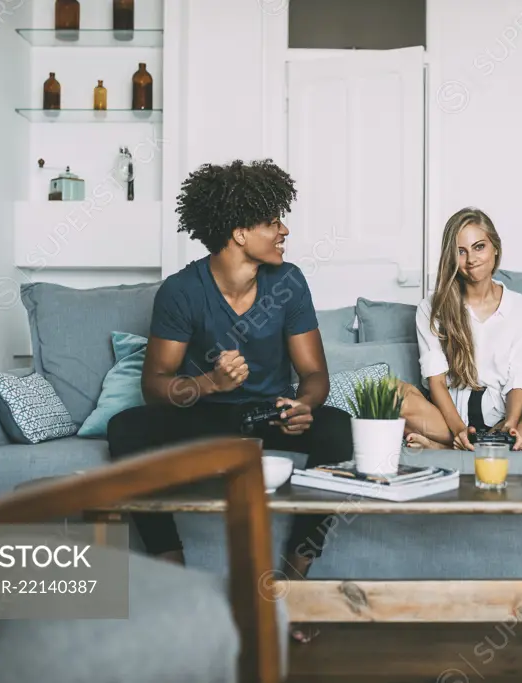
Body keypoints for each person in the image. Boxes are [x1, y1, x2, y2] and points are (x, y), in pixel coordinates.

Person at [106, 160, 351, 641]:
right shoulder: (182, 291)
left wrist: (304, 404)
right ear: (239, 232)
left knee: (339, 430)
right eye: (273, 222)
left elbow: (315, 373)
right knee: (126, 430)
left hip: (270, 415)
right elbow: (154, 383)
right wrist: (209, 385)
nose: (285, 230)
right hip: (204, 414)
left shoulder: (288, 282)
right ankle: (174, 579)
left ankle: (292, 583)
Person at [400, 207, 522, 451]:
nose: (471, 259)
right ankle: (464, 444)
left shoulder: (521, 307)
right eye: (461, 252)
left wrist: (511, 425)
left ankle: (454, 447)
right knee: (394, 396)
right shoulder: (431, 308)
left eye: (479, 247)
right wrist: (459, 430)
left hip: (499, 423)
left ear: (495, 248)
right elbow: (436, 381)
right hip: (448, 421)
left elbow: (519, 377)